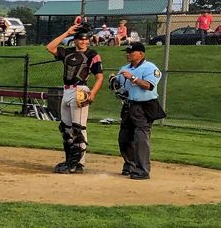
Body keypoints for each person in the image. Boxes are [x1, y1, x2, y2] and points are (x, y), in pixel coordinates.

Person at [45, 20, 104, 174]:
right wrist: (67, 32)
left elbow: (99, 77)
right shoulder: (68, 52)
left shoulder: (92, 54)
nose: (83, 42)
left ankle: (77, 164)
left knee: (78, 128)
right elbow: (50, 47)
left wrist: (92, 93)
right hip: (66, 91)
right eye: (80, 39)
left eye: (86, 39)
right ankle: (69, 159)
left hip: (81, 89)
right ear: (75, 40)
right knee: (66, 129)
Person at [115, 41, 165, 180]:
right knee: (124, 138)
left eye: (131, 52)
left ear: (141, 54)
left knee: (141, 138)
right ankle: (130, 165)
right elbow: (118, 84)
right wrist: (114, 81)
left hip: (144, 106)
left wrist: (133, 78)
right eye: (127, 52)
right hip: (128, 106)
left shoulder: (150, 68)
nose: (128, 54)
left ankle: (142, 170)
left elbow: (149, 86)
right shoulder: (125, 68)